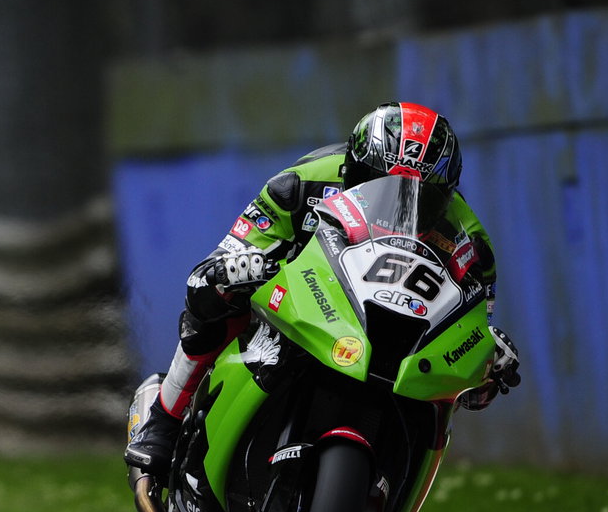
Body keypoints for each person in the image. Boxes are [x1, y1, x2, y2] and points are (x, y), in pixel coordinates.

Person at [124, 101, 522, 476]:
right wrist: (240, 264)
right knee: (213, 295)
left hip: (396, 340)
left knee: (439, 408)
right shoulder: (299, 184)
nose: (400, 206)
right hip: (301, 305)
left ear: (447, 194)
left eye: (423, 197)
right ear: (353, 169)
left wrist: (487, 359)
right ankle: (164, 419)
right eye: (382, 185)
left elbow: (474, 324)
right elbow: (221, 261)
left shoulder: (471, 242)